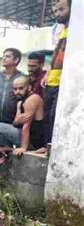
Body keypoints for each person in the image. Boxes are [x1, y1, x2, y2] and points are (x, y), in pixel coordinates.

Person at [42, 0, 71, 148]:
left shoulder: (76, 28)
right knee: (47, 117)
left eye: (62, 9)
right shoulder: (57, 29)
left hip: (63, 81)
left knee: (55, 117)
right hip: (52, 80)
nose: (58, 13)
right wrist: (47, 72)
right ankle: (46, 147)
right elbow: (55, 52)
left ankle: (53, 147)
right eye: (55, 10)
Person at [0, 76, 44, 156]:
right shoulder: (20, 103)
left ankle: (9, 154)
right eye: (15, 89)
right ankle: (8, 153)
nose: (17, 92)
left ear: (29, 87)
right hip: (26, 136)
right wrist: (17, 121)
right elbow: (15, 123)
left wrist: (23, 148)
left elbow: (26, 126)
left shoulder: (32, 99)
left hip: (34, 141)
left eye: (21, 88)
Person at [0, 48, 24, 124]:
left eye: (7, 56)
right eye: (3, 56)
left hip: (14, 122)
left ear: (16, 60)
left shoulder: (23, 78)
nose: (4, 58)